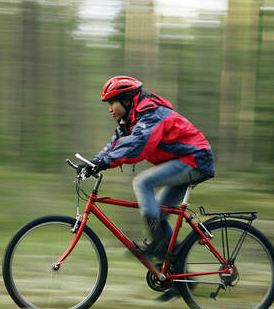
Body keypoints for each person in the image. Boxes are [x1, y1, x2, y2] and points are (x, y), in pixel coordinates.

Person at [78, 75, 215, 264]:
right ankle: (178, 274)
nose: (109, 109)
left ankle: (159, 243)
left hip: (196, 159)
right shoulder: (131, 120)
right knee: (157, 210)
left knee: (143, 182)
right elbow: (116, 143)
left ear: (127, 100)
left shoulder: (151, 114)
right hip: (185, 161)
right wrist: (94, 163)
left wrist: (105, 163)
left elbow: (137, 145)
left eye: (112, 103)